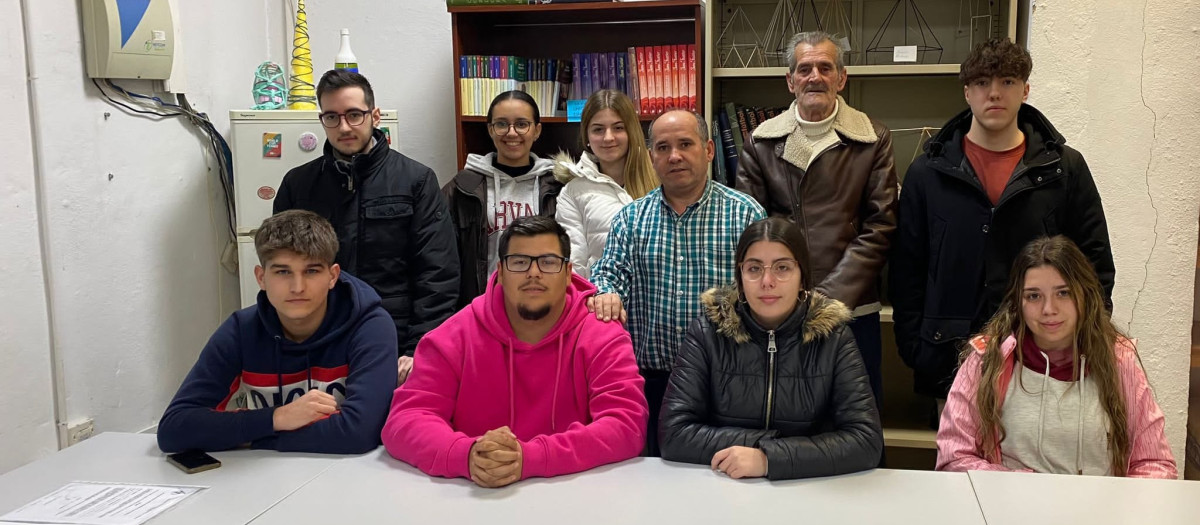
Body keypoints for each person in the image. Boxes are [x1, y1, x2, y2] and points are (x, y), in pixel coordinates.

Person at [890, 38, 1115, 402]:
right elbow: (907, 268)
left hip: (1043, 352)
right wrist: (914, 347)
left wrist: (1083, 339)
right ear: (967, 92)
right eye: (982, 83)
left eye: (1007, 82)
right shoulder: (928, 172)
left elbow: (1095, 263)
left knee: (1035, 455)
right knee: (958, 457)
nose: (994, 93)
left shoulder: (1063, 168)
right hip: (948, 353)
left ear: (1025, 89)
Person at [382, 216, 648, 488]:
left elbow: (626, 425)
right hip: (475, 499)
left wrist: (530, 457)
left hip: (575, 496)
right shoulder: (453, 336)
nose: (534, 273)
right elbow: (405, 419)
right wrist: (467, 454)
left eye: (548, 262)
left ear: (569, 274)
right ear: (500, 272)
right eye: (519, 262)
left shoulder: (602, 335)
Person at [590, 109, 766, 456]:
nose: (674, 156)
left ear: (709, 150)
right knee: (652, 482)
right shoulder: (631, 218)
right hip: (649, 382)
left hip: (723, 382)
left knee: (719, 481)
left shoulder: (746, 214)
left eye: (685, 144)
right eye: (662, 147)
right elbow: (609, 272)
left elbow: (762, 294)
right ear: (651, 156)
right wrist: (606, 293)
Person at [736, 31, 898, 407]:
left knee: (856, 417)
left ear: (842, 78)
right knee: (791, 417)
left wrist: (828, 300)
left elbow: (881, 227)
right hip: (780, 308)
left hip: (852, 309)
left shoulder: (873, 139)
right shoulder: (760, 143)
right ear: (790, 81)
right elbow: (752, 233)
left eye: (825, 67)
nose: (815, 77)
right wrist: (790, 296)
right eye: (804, 68)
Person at [659, 218, 883, 479]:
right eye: (754, 268)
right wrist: (771, 447)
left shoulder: (833, 336)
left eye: (782, 268)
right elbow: (673, 433)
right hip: (723, 486)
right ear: (740, 277)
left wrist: (768, 458)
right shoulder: (708, 332)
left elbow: (866, 441)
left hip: (808, 490)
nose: (767, 281)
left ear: (802, 278)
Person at [158, 210, 396, 454]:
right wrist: (277, 418)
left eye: (312, 271)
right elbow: (174, 430)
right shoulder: (241, 330)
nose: (297, 287)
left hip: (350, 477)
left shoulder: (370, 326)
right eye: (282, 272)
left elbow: (359, 433)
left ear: (332, 276)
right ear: (261, 278)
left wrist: (253, 439)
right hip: (265, 479)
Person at [274, 70, 458, 385]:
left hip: (394, 343)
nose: (344, 126)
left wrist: (419, 348)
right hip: (317, 342)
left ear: (375, 115)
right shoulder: (298, 184)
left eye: (354, 115)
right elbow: (281, 270)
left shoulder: (415, 180)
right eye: (332, 117)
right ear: (322, 121)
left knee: (388, 432)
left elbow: (438, 273)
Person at [936, 236, 1175, 478]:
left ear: (1085, 295)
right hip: (1010, 510)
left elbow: (1155, 465)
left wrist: (1117, 511)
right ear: (1017, 302)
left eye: (1063, 293)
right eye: (1033, 296)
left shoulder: (1119, 361)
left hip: (1099, 512)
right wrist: (1016, 486)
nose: (1049, 309)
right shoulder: (987, 359)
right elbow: (953, 456)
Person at [444, 90, 562, 307]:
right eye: (501, 124)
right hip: (481, 307)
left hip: (541, 305)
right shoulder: (462, 188)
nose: (511, 132)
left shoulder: (556, 188)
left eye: (521, 124)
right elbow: (443, 261)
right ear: (490, 130)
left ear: (537, 130)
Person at [554, 89, 659, 278]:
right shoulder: (573, 192)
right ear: (587, 137)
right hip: (601, 304)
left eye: (618, 128)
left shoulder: (661, 179)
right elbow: (574, 267)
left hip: (657, 302)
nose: (608, 137)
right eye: (598, 129)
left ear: (631, 131)